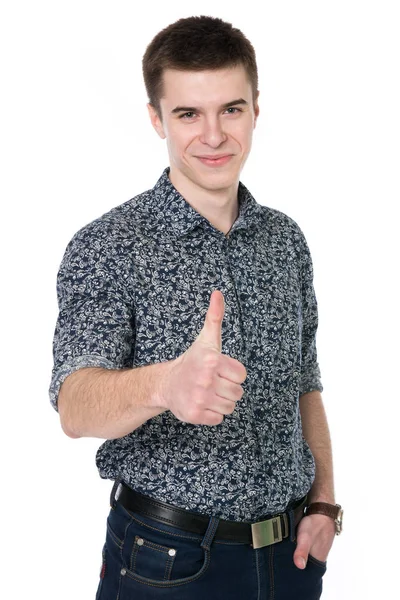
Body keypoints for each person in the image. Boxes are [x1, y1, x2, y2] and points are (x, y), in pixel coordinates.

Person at [49, 15, 343, 600]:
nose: (213, 135)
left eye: (231, 109)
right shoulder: (109, 245)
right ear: (156, 118)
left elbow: (305, 384)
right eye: (188, 114)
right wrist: (165, 386)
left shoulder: (286, 241)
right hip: (166, 564)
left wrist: (325, 503)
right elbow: (74, 404)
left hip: (291, 559)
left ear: (256, 109)